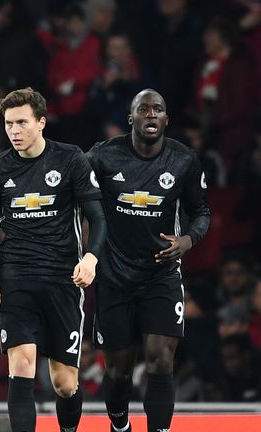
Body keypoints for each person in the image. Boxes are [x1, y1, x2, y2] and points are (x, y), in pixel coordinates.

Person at [0, 87, 106, 432]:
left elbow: (99, 217)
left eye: (22, 123)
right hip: (16, 278)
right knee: (22, 364)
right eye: (8, 124)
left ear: (41, 123)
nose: (14, 131)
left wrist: (91, 258)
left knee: (64, 383)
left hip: (64, 279)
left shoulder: (70, 159)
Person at [87, 88, 210, 432]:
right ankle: (120, 425)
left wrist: (188, 239)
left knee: (160, 359)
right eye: (144, 109)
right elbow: (74, 188)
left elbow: (200, 211)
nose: (151, 114)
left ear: (166, 119)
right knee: (118, 370)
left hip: (161, 275)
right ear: (132, 119)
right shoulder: (103, 156)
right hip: (113, 277)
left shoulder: (183, 159)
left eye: (158, 109)